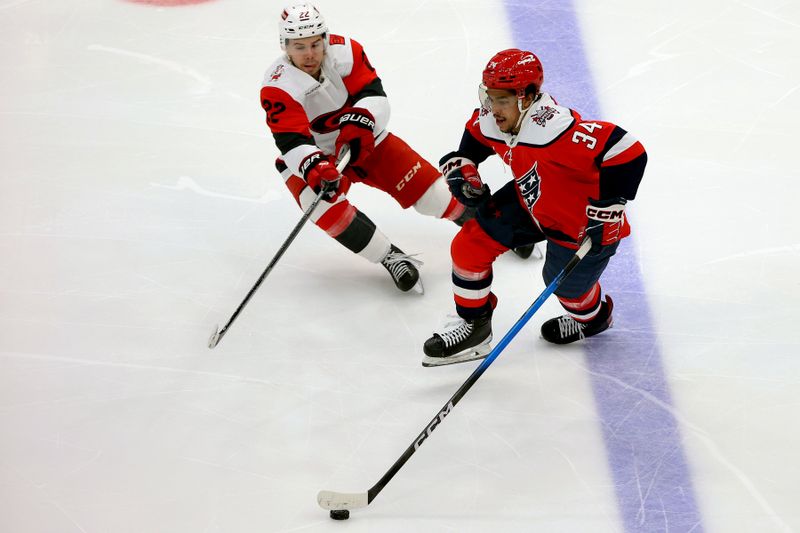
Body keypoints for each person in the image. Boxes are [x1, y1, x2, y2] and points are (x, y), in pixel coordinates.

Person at [422, 48, 647, 367]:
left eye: (502, 100)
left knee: (568, 290)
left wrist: (607, 210)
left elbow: (627, 151)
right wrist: (465, 163)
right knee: (469, 246)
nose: (493, 109)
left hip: (578, 223)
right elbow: (476, 134)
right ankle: (475, 327)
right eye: (489, 97)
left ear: (526, 97)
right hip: (531, 199)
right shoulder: (494, 118)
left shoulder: (555, 129)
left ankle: (594, 318)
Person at [259, 3, 474, 294]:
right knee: (322, 208)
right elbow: (291, 141)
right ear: (285, 46)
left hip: (363, 138)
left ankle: (483, 227)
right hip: (314, 154)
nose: (309, 54)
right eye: (299, 46)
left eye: (315, 44)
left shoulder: (346, 52)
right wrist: (315, 167)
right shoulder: (277, 86)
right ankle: (390, 257)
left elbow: (376, 96)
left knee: (432, 194)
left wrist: (361, 121)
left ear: (325, 38)